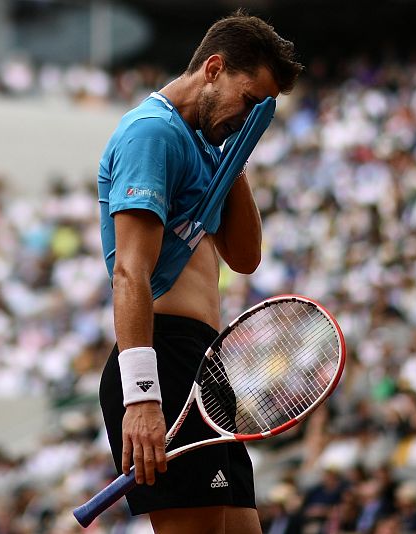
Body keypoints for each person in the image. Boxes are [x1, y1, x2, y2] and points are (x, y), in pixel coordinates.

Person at [95, 11, 302, 533]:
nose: (250, 116)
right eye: (249, 100)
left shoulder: (207, 143)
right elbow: (130, 273)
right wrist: (142, 397)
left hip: (203, 365)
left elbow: (245, 257)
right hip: (162, 360)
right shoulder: (152, 134)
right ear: (213, 68)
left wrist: (236, 156)